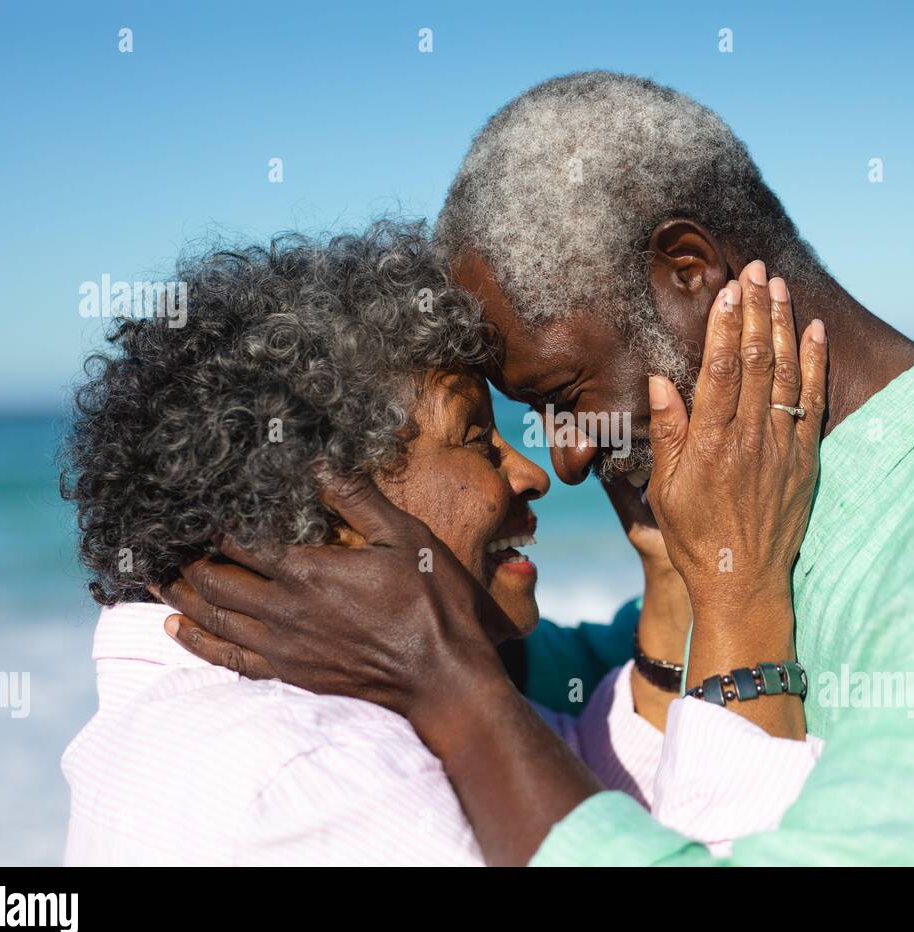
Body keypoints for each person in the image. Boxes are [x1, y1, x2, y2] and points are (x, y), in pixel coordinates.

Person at [167, 72, 914, 866]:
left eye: (562, 393)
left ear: (689, 272)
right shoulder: (763, 507)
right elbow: (592, 688)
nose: (564, 457)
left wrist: (452, 690)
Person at [59, 222, 823, 865]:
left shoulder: (304, 707)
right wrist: (741, 590)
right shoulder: (306, 771)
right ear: (326, 513)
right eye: (477, 442)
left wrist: (672, 573)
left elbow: (584, 802)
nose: (532, 473)